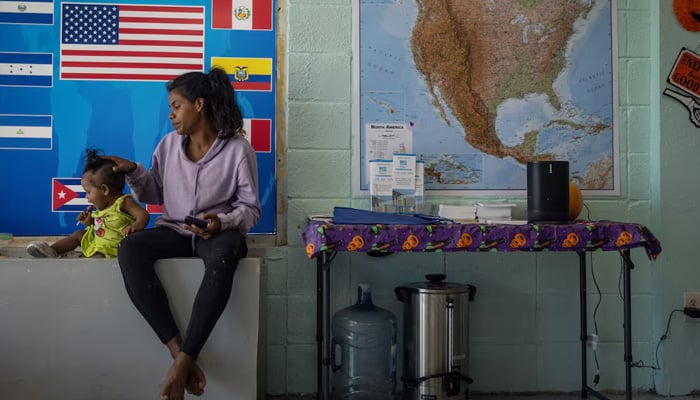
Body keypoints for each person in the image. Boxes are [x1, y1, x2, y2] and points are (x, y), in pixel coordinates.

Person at [104, 67, 261, 400]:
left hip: (216, 234)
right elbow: (154, 193)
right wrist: (134, 172)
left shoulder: (237, 150)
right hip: (175, 230)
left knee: (226, 252)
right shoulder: (167, 146)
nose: (171, 114)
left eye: (177, 106)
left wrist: (221, 222)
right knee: (131, 248)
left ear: (199, 105)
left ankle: (185, 358)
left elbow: (250, 208)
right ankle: (179, 354)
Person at [26, 149, 150, 258]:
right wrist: (89, 223)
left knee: (96, 256)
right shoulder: (102, 208)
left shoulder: (123, 202)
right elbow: (101, 228)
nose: (87, 198)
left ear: (104, 190)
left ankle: (83, 259)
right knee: (78, 235)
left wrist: (137, 225)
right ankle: (51, 251)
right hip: (97, 242)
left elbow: (142, 214)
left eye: (88, 192)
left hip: (112, 250)